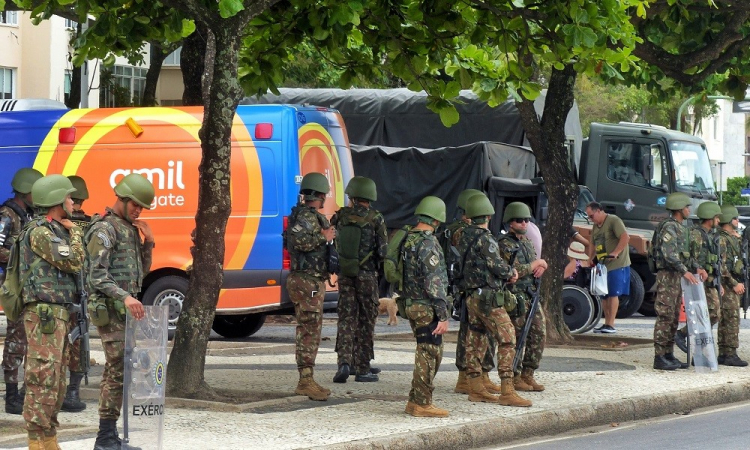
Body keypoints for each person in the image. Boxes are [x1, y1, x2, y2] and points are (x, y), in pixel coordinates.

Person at [87, 173, 154, 450]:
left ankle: (110, 435)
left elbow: (141, 273)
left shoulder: (128, 228)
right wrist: (125, 297)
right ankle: (104, 438)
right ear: (122, 199)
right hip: (112, 310)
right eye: (135, 205)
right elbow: (96, 275)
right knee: (117, 370)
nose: (138, 211)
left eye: (141, 207)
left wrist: (148, 242)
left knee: (122, 370)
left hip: (124, 312)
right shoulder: (105, 229)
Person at [20, 174, 84, 449]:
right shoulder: (41, 232)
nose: (73, 202)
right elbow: (74, 261)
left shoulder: (57, 230)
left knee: (56, 379)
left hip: (58, 314)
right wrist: (76, 233)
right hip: (43, 315)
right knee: (41, 376)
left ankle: (49, 436)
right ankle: (36, 439)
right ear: (57, 200)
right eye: (69, 197)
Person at [458, 194, 530, 407]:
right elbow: (496, 265)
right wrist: (511, 272)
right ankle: (508, 390)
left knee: (475, 338)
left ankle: (475, 387)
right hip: (489, 297)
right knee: (508, 338)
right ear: (488, 215)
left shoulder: (463, 235)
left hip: (471, 296)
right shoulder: (485, 238)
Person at [332, 176, 387, 383]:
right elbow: (382, 251)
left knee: (346, 319)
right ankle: (362, 367)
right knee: (365, 321)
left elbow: (333, 241)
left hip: (345, 275)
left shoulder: (340, 216)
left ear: (352, 196)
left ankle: (344, 363)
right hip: (367, 277)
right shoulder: (376, 218)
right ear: (370, 196)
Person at [286, 172, 336, 401]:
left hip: (311, 281)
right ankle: (305, 380)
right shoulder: (306, 217)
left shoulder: (311, 216)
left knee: (312, 326)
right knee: (309, 327)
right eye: (324, 194)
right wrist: (323, 237)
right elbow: (296, 242)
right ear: (318, 194)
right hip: (307, 282)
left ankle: (308, 378)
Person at [400, 196, 450, 417]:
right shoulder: (428, 243)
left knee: (425, 350)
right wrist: (443, 315)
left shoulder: (408, 238)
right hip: (425, 305)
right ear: (437, 219)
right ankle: (422, 403)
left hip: (410, 303)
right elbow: (434, 282)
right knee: (430, 352)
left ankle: (414, 400)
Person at [446, 190, 500, 396]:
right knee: (470, 335)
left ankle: (481, 375)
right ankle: (467, 377)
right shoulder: (461, 231)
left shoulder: (463, 231)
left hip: (473, 289)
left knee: (481, 334)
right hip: (469, 289)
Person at [1, 167, 42, 415]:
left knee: (27, 339)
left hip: (27, 286)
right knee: (16, 339)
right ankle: (12, 395)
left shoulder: (28, 214)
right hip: (13, 286)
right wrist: (23, 260)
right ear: (26, 191)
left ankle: (24, 392)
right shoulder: (7, 216)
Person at [497, 202, 548, 392]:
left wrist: (540, 266)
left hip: (531, 295)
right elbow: (512, 271)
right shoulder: (504, 244)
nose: (524, 223)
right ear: (510, 222)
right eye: (520, 220)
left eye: (527, 220)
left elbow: (535, 264)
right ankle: (515, 375)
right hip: (515, 297)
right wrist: (536, 264)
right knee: (518, 338)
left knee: (539, 334)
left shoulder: (526, 242)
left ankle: (528, 374)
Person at [652, 192, 697, 371]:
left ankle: (668, 353)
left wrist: (695, 268)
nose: (688, 210)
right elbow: (669, 254)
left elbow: (684, 255)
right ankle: (660, 356)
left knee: (673, 316)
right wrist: (684, 271)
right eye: (687, 207)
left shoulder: (680, 227)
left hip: (676, 275)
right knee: (665, 314)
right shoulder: (669, 227)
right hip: (669, 275)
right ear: (679, 208)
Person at [60, 175, 91, 413]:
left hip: (63, 292)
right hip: (81, 292)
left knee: (60, 341)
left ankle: (62, 391)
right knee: (78, 340)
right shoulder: (90, 224)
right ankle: (72, 391)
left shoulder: (57, 224)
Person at [675, 201, 722, 353]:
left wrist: (717, 282)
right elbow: (689, 258)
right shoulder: (696, 235)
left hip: (708, 280)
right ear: (709, 217)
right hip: (698, 281)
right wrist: (699, 268)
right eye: (716, 217)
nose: (719, 221)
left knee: (713, 314)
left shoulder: (709, 235)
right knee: (711, 313)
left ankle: (699, 348)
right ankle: (683, 335)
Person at [585, 201, 631, 334]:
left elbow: (625, 237)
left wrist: (616, 252)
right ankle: (606, 324)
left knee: (613, 293)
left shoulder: (613, 220)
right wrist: (590, 259)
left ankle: (611, 324)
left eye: (591, 216)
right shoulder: (595, 226)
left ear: (599, 211)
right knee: (603, 294)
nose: (590, 219)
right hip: (603, 265)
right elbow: (592, 244)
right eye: (588, 217)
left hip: (617, 264)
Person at [716, 205, 748, 367]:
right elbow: (721, 265)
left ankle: (725, 352)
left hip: (734, 281)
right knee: (731, 318)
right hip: (728, 284)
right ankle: (729, 353)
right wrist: (734, 283)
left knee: (729, 317)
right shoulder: (722, 239)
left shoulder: (735, 237)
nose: (738, 221)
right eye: (735, 218)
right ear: (729, 220)